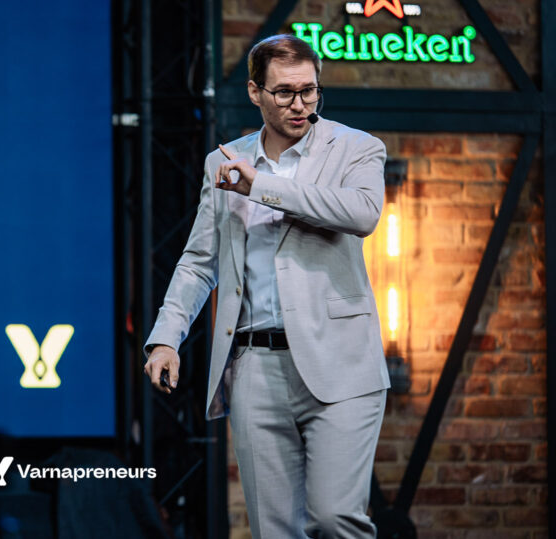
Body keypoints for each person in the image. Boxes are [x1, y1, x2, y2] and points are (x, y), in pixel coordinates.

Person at [143, 34, 390, 538]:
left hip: (341, 361)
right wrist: (167, 337)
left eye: (309, 91)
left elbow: (362, 214)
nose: (299, 105)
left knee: (335, 519)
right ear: (255, 92)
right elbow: (199, 261)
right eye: (284, 93)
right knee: (274, 530)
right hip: (254, 365)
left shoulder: (356, 148)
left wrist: (260, 186)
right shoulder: (223, 161)